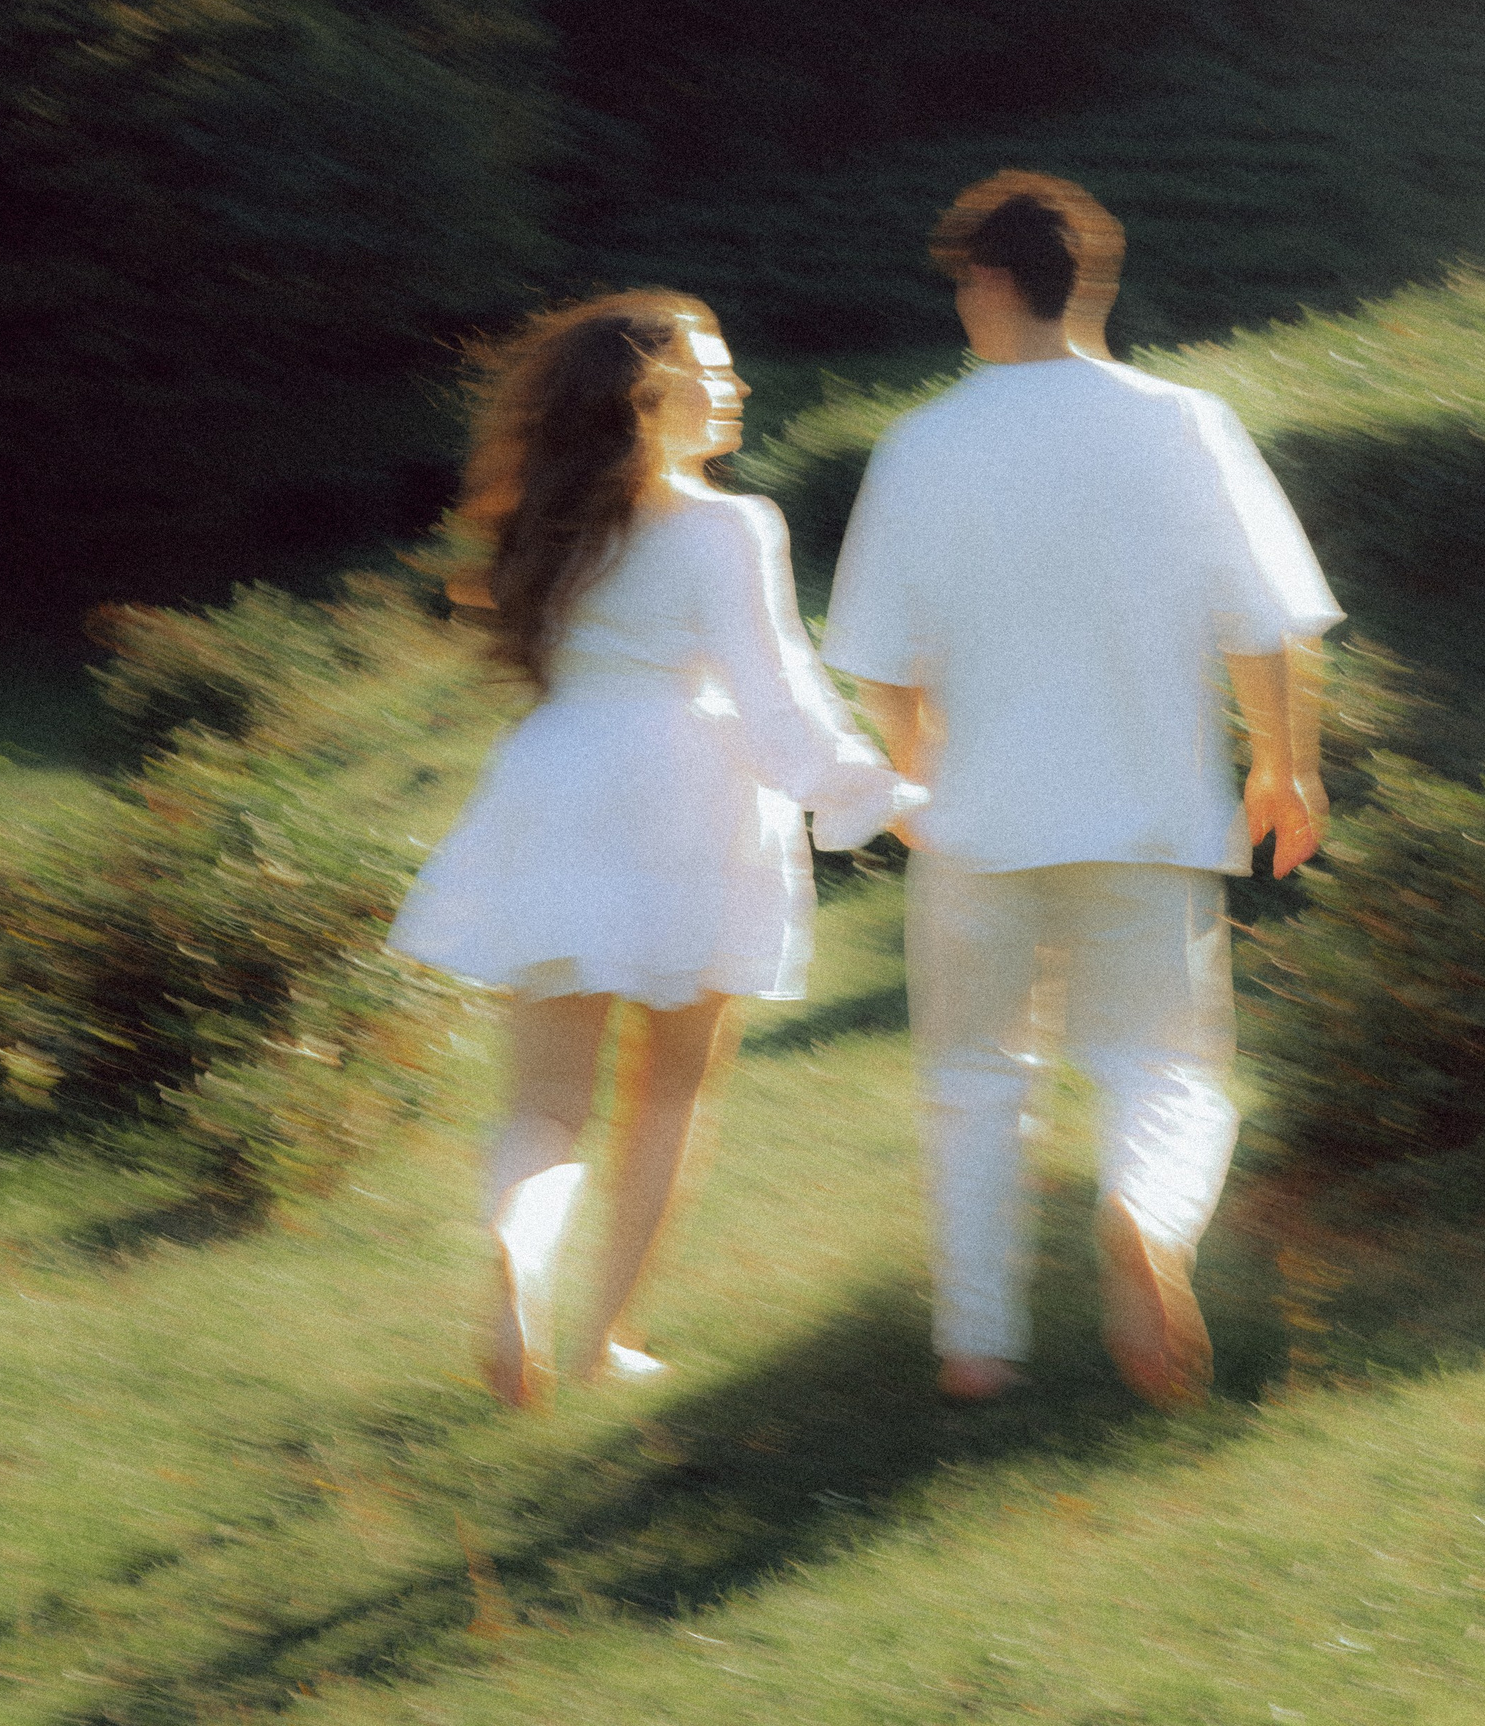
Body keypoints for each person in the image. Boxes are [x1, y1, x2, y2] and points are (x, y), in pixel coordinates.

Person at [822, 172, 1340, 1409]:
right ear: (1088, 284)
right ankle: (1144, 1218)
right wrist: (1285, 762)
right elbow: (1265, 621)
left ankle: (977, 1349)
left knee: (973, 1082)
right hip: (1148, 810)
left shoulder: (923, 442)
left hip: (976, 819)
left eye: (964, 283)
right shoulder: (1186, 422)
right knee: (1165, 1069)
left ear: (993, 283)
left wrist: (913, 762)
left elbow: (880, 654)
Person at [389, 289, 923, 1407]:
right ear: (649, 395)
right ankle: (605, 1341)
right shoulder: (729, 524)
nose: (736, 386)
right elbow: (779, 699)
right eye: (712, 371)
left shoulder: (543, 521)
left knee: (544, 1105)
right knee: (671, 1092)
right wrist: (881, 796)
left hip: (556, 776)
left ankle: (520, 1256)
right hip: (688, 794)